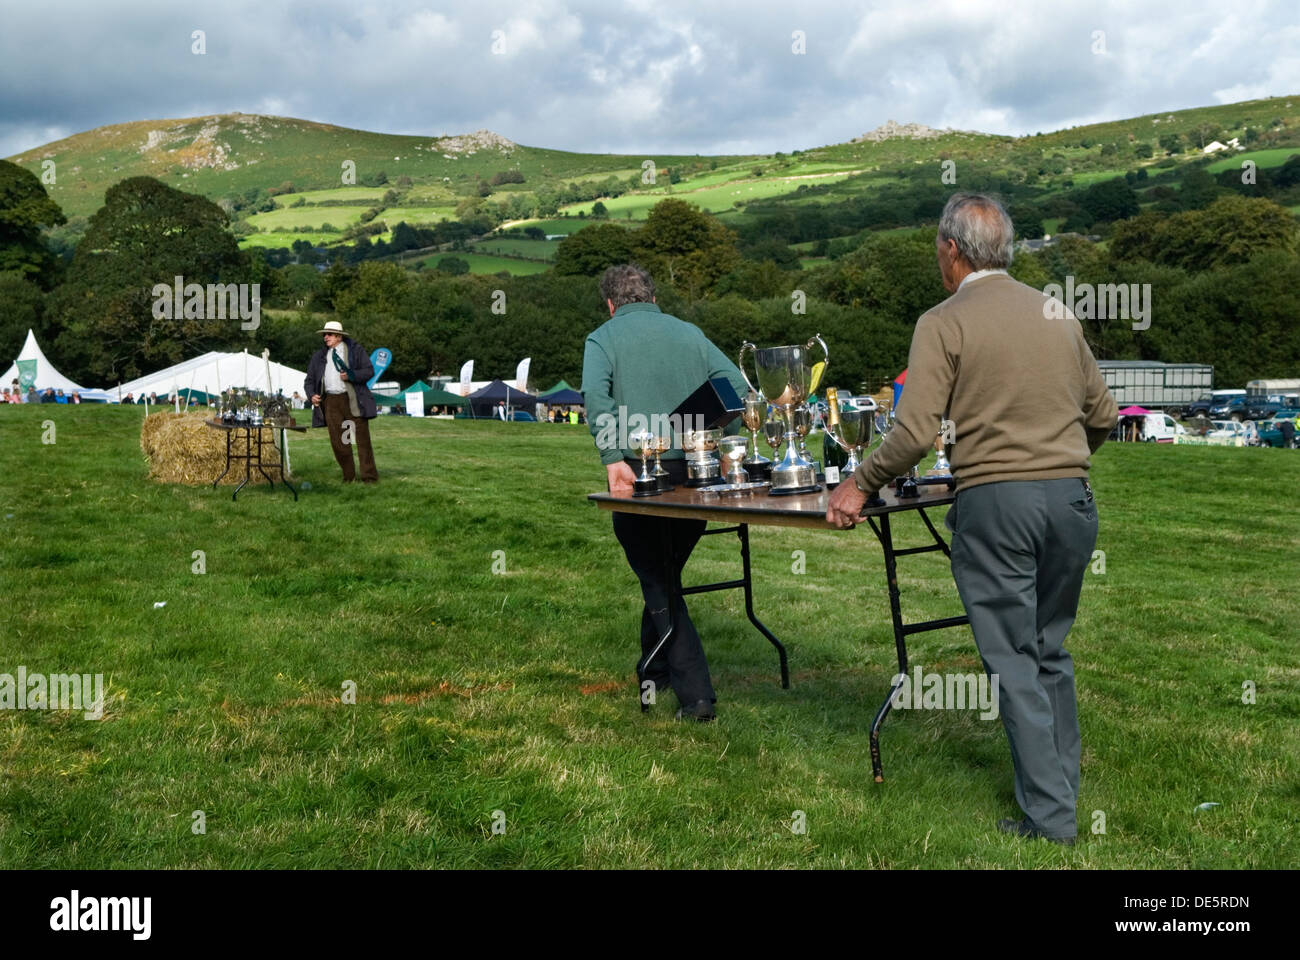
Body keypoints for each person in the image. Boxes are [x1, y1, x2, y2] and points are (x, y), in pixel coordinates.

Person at [827, 193, 1118, 845]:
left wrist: (858, 482)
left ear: (950, 249)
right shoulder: (1058, 314)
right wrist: (1060, 461)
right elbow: (1102, 416)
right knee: (1049, 649)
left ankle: (1050, 820)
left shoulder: (943, 321)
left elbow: (912, 435)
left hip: (997, 503)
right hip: (1072, 500)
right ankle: (1059, 791)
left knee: (1014, 660)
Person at [582, 263, 747, 721]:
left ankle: (697, 697)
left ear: (611, 305)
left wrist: (612, 458)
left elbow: (595, 398)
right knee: (661, 575)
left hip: (639, 475)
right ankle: (652, 675)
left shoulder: (603, 338)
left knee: (658, 581)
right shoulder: (689, 332)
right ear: (654, 299)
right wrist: (705, 427)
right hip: (695, 474)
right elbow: (736, 388)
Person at [305, 320, 379, 483]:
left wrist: (351, 375)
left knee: (362, 441)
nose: (325, 337)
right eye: (324, 334)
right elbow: (309, 380)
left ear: (339, 336)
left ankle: (370, 478)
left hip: (353, 399)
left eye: (329, 334)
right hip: (330, 402)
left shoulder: (355, 350)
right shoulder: (319, 356)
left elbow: (369, 371)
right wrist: (312, 395)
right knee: (339, 441)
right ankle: (349, 477)